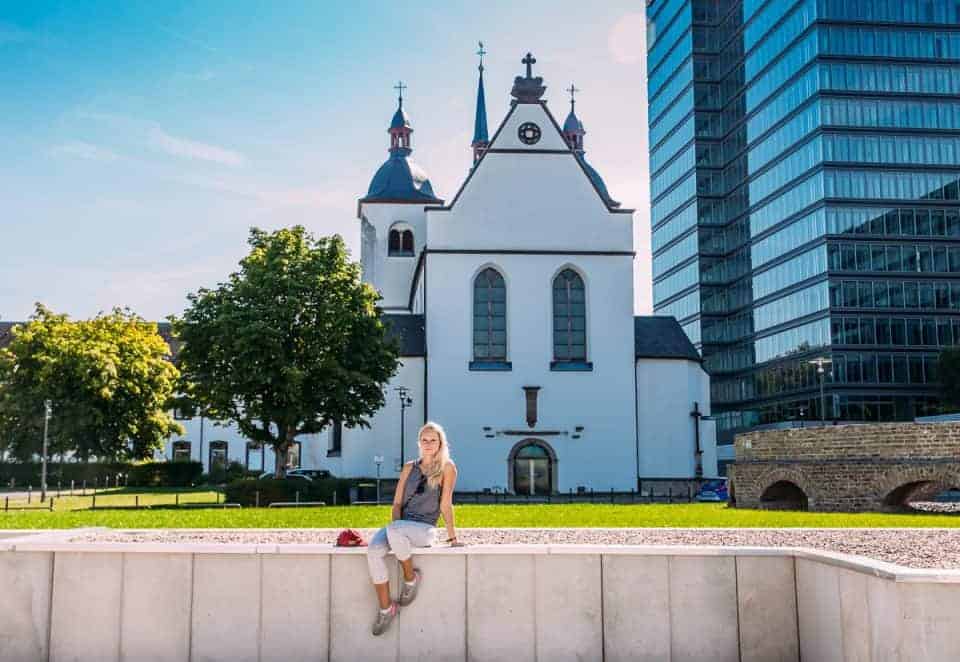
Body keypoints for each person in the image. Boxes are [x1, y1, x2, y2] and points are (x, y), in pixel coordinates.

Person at [366, 421, 460, 636]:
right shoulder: (409, 467)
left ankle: (410, 578)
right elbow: (397, 503)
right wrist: (395, 530)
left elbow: (446, 504)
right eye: (424, 440)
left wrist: (453, 538)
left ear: (440, 443)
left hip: (425, 529)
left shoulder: (447, 467)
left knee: (395, 530)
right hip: (400, 527)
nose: (428, 444)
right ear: (419, 442)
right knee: (373, 550)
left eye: (433, 440)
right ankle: (386, 609)